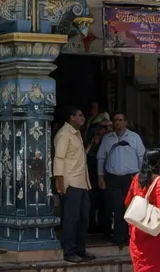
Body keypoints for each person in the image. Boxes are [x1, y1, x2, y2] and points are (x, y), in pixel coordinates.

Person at [97, 112, 145, 247]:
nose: (117, 122)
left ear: (126, 122)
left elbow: (142, 158)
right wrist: (100, 177)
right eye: (115, 120)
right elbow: (101, 158)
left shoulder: (134, 138)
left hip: (131, 179)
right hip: (113, 179)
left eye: (120, 120)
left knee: (132, 208)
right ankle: (119, 237)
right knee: (117, 207)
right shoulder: (107, 138)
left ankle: (133, 237)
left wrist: (142, 177)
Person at [54, 107, 94, 264]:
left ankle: (79, 249)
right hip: (71, 182)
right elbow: (59, 159)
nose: (83, 118)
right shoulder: (64, 134)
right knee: (72, 218)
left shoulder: (76, 134)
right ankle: (69, 251)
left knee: (83, 218)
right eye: (80, 115)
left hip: (82, 182)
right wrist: (60, 182)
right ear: (71, 117)